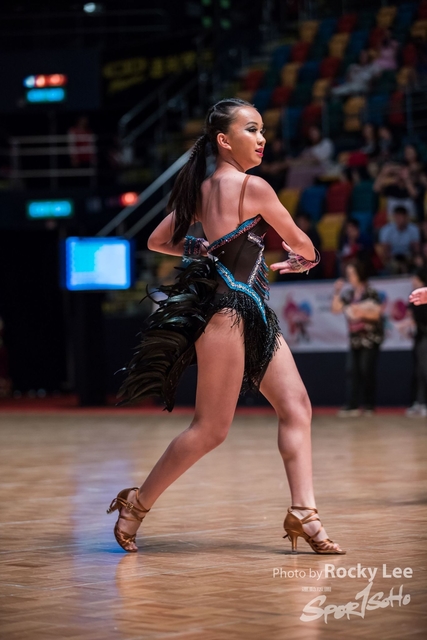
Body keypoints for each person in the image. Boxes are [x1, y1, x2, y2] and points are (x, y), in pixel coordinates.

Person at [107, 98, 345, 556]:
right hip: (227, 315)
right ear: (224, 139)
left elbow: (158, 240)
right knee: (211, 429)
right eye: (251, 129)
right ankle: (136, 502)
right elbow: (301, 243)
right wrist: (306, 258)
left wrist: (200, 248)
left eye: (262, 130)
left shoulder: (201, 190)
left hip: (247, 311)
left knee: (296, 407)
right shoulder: (253, 187)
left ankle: (304, 513)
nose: (261, 138)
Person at [331, 260, 384, 417]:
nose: (350, 277)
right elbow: (335, 309)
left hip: (370, 338)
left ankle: (369, 405)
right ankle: (352, 405)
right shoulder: (349, 294)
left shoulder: (370, 292)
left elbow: (377, 314)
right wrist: (337, 291)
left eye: (352, 273)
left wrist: (360, 312)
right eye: (348, 274)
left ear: (360, 274)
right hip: (355, 339)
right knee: (352, 371)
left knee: (366, 370)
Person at [406, 268, 427, 417]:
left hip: (425, 337)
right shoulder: (416, 296)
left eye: (414, 278)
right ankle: (420, 402)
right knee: (419, 371)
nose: (412, 280)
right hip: (419, 338)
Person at [378, 206, 421, 274]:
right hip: (392, 257)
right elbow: (385, 250)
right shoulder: (386, 230)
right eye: (397, 217)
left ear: (406, 217)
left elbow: (416, 249)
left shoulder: (414, 229)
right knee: (395, 265)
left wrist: (413, 258)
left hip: (408, 257)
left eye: (401, 217)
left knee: (419, 261)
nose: (400, 220)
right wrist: (393, 259)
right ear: (394, 217)